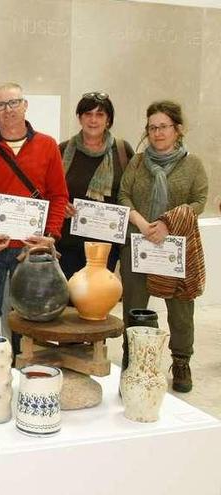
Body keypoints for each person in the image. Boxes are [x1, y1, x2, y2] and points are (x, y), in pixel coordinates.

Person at [0, 83, 68, 340]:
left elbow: (59, 195)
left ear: (25, 105)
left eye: (13, 103)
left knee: (29, 312)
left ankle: (23, 365)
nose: (7, 110)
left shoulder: (47, 145)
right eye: (0, 105)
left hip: (32, 247)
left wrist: (51, 235)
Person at [118, 100, 207, 393]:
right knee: (134, 306)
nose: (157, 133)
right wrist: (144, 225)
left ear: (177, 129)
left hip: (176, 247)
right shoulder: (138, 161)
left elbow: (199, 201)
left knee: (181, 307)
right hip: (139, 242)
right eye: (152, 127)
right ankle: (132, 359)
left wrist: (168, 223)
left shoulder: (192, 164)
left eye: (163, 127)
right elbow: (124, 195)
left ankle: (181, 360)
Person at [56, 92, 134, 279]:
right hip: (68, 244)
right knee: (69, 301)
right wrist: (60, 205)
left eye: (100, 115)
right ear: (79, 118)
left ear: (108, 120)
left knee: (97, 301)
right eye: (87, 114)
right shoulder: (62, 150)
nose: (93, 120)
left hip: (105, 245)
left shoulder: (123, 150)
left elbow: (131, 192)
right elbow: (50, 190)